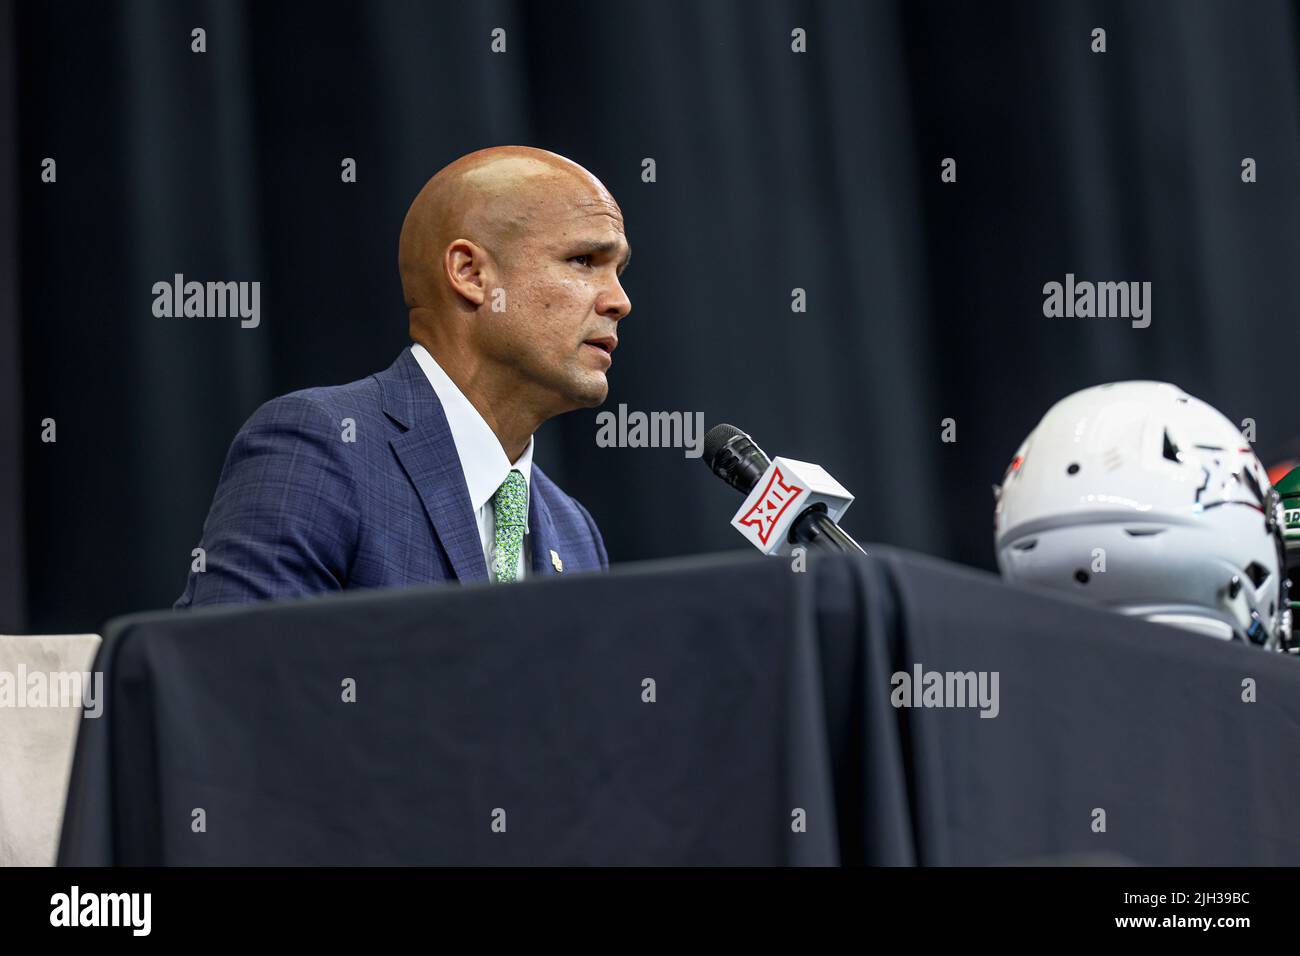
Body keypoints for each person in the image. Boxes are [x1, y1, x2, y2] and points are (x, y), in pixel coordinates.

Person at [176, 146, 631, 607]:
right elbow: (233, 672)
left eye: (618, 271)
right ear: (470, 273)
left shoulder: (574, 533)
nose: (619, 300)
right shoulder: (323, 447)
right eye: (585, 260)